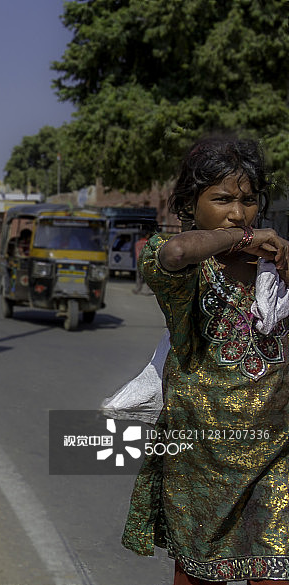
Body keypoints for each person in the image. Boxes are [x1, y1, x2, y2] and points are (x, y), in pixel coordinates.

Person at [122, 136, 289, 584]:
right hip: (203, 457)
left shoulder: (277, 269)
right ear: (190, 205)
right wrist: (244, 237)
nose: (238, 213)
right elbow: (175, 252)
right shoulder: (184, 268)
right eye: (222, 200)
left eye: (250, 201)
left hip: (277, 454)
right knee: (200, 576)